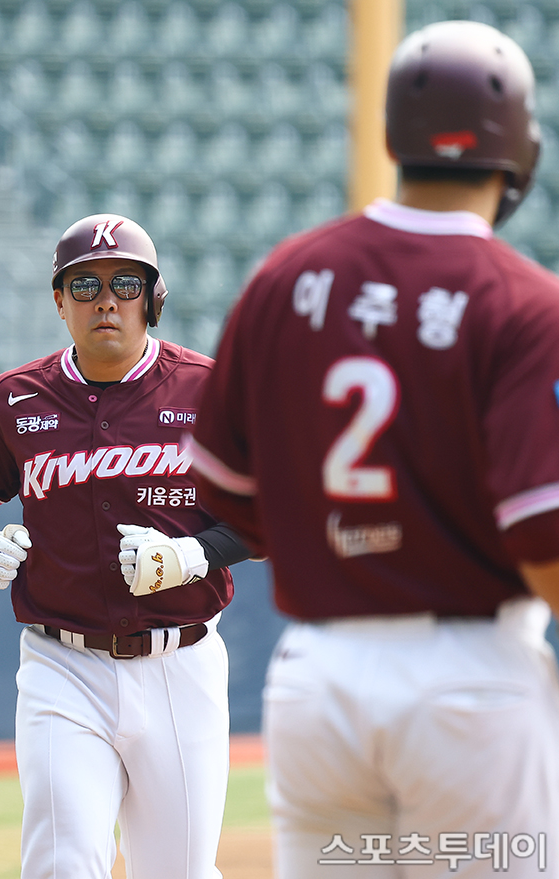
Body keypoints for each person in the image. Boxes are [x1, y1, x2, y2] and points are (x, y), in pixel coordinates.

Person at [189, 20, 559, 878]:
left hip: (317, 680)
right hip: (471, 682)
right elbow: (542, 533)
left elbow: (227, 491)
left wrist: (350, 545)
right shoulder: (524, 302)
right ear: (520, 151)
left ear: (392, 138)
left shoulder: (285, 277)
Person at [0, 213, 249, 879]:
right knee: (61, 863)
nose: (106, 301)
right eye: (85, 286)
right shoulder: (16, 398)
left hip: (181, 664)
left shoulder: (209, 390)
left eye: (124, 284)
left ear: (153, 298)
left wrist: (192, 556)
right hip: (62, 666)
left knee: (178, 872)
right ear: (59, 301)